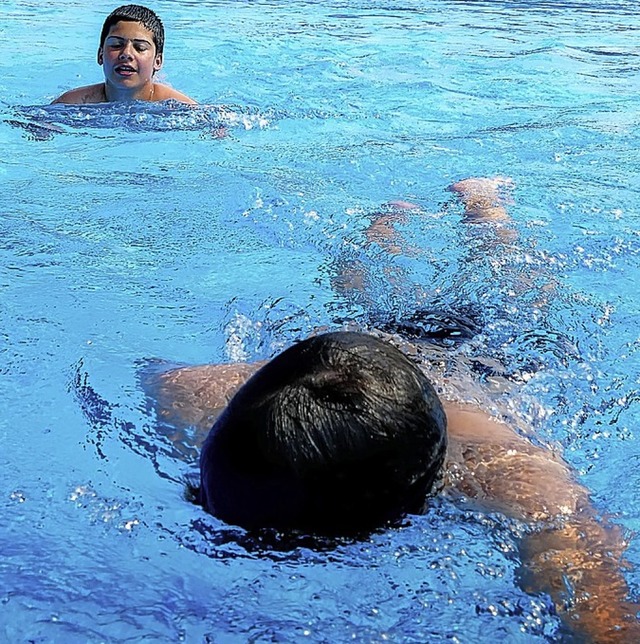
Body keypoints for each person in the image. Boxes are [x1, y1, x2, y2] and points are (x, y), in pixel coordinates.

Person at [144, 179, 639, 640]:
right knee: (364, 295)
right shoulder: (192, 394)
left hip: (491, 365)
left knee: (516, 286)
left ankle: (484, 203)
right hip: (377, 352)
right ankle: (390, 216)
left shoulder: (507, 472)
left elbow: (602, 615)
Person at [51, 5, 196, 105]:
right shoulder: (72, 103)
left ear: (157, 61)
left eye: (139, 48)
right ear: (100, 55)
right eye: (116, 45)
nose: (126, 53)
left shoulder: (177, 107)